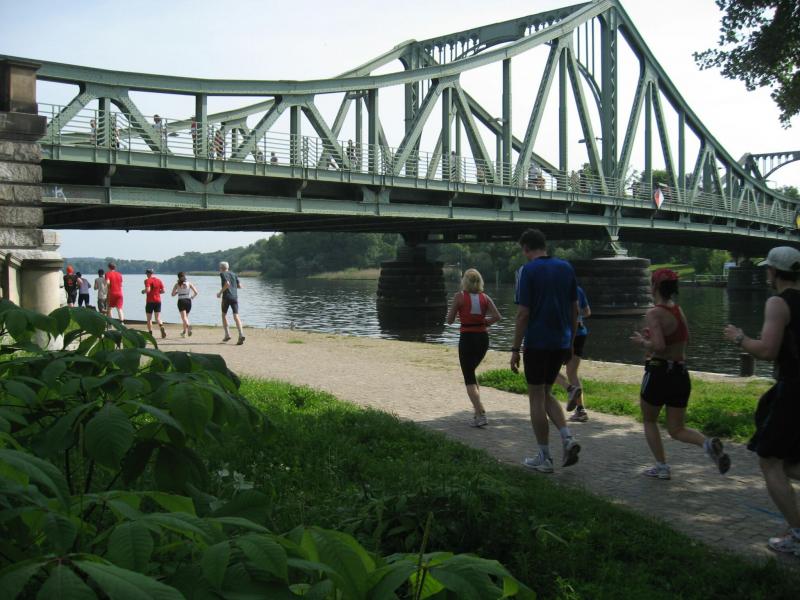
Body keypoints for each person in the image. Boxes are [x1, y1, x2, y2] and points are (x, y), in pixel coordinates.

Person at [723, 246, 800, 555]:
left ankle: (797, 534)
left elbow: (767, 350)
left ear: (773, 272)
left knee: (769, 460)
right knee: (790, 462)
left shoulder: (778, 303)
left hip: (792, 391)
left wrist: (739, 337)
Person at [630, 268, 730, 481]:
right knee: (677, 429)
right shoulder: (678, 310)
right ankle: (706, 443)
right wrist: (658, 339)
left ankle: (662, 467)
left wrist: (644, 342)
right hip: (680, 374)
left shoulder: (654, 313)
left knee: (649, 420)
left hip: (659, 373)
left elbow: (658, 346)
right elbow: (687, 340)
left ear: (655, 286)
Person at [510, 229, 581, 473]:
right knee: (547, 392)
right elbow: (574, 310)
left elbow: (523, 314)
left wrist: (515, 348)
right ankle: (567, 438)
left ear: (526, 248)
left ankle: (545, 457)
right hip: (560, 342)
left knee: (536, 397)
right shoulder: (566, 268)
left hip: (537, 343)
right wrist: (571, 342)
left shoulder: (527, 271)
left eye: (523, 250)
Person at [446, 269, 502, 427]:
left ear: (465, 281)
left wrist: (456, 312)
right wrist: (485, 322)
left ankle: (481, 413)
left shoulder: (459, 297)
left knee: (468, 376)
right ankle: (477, 412)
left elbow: (449, 320)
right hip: (483, 338)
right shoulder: (485, 297)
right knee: (471, 372)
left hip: (468, 338)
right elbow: (497, 316)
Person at [556, 286, 591, 422]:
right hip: (581, 333)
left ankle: (569, 389)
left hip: (564, 334)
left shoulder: (557, 289)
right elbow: (587, 312)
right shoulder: (578, 290)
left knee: (546, 369)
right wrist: (576, 315)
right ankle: (581, 410)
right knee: (572, 373)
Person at [217, 261, 245, 345]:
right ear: (228, 267)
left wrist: (220, 293)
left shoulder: (222, 274)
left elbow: (227, 284)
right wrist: (234, 287)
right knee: (236, 316)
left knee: (224, 315)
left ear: (221, 268)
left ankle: (227, 334)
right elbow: (240, 286)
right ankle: (241, 334)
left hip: (226, 297)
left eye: (219, 267)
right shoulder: (234, 274)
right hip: (234, 297)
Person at [172, 272, 199, 338]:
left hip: (181, 301)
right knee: (186, 317)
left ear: (178, 277)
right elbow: (196, 292)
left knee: (184, 317)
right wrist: (192, 297)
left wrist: (177, 292)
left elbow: (172, 294)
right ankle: (184, 332)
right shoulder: (189, 283)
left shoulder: (177, 284)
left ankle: (188, 326)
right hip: (188, 301)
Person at [142, 268, 167, 339]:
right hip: (158, 301)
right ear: (152, 273)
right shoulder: (159, 280)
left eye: (146, 274)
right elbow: (163, 291)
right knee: (157, 318)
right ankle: (161, 326)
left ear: (147, 274)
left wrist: (143, 291)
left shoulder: (147, 280)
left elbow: (148, 290)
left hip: (150, 301)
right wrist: (157, 293)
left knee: (149, 319)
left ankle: (150, 333)